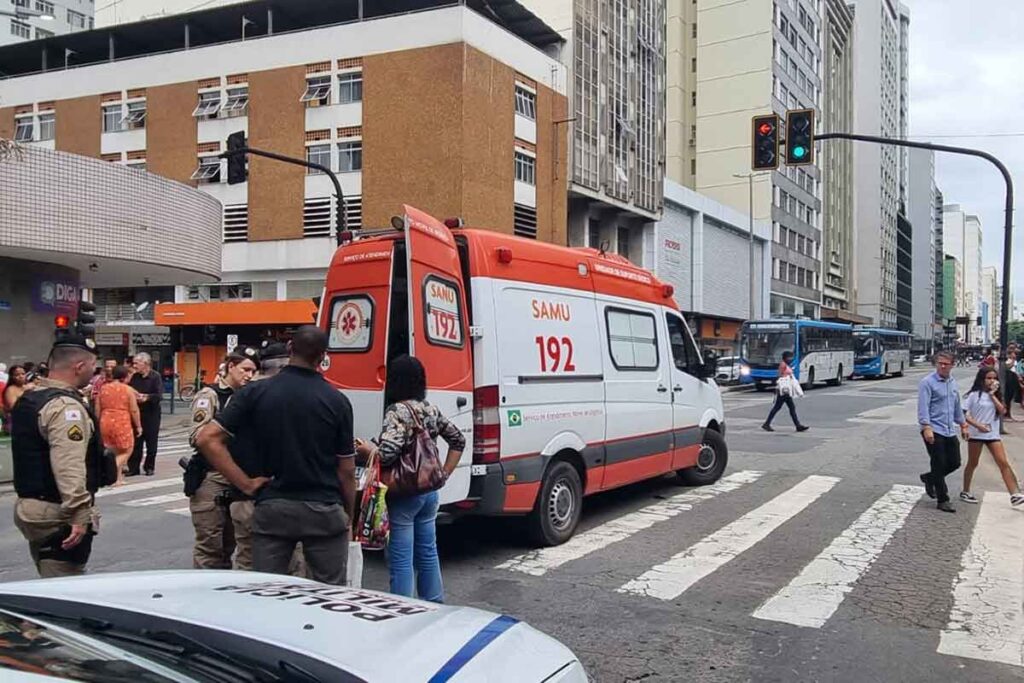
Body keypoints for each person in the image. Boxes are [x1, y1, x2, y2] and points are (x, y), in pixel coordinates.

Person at [197, 326, 357, 585]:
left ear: (291, 349)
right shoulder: (337, 401)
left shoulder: (255, 393)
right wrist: (348, 514)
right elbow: (346, 470)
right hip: (323, 508)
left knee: (268, 591)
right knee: (329, 592)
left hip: (273, 507)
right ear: (322, 357)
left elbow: (207, 439)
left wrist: (245, 484)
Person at [355, 355, 464, 602]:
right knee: (428, 551)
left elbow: (388, 453)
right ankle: (435, 604)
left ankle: (403, 609)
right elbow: (458, 440)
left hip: (405, 493)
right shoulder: (430, 408)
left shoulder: (397, 411)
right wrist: (444, 473)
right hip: (429, 491)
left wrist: (367, 450)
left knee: (401, 556)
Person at [10, 334, 102, 578]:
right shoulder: (65, 407)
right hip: (56, 510)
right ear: (80, 366)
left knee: (48, 573)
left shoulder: (31, 398)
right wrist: (79, 513)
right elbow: (68, 465)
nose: (95, 372)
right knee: (64, 586)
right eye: (93, 366)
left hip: (31, 505)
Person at [186, 351, 257, 569]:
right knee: (210, 547)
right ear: (230, 367)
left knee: (231, 544)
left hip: (236, 475)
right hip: (212, 477)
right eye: (245, 370)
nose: (249, 376)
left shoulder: (248, 396)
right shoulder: (210, 395)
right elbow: (197, 436)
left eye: (254, 371)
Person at [959, 367, 1024, 506]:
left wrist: (993, 395)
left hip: (992, 434)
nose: (992, 381)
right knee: (973, 463)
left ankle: (1014, 493)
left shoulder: (996, 395)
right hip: (976, 434)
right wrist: (977, 425)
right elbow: (963, 414)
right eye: (988, 378)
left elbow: (1002, 411)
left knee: (1003, 462)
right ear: (982, 379)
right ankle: (965, 490)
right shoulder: (973, 395)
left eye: (994, 378)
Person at [918, 351, 969, 513]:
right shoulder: (927, 382)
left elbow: (956, 406)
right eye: (940, 363)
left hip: (948, 429)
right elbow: (923, 406)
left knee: (955, 462)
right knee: (938, 462)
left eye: (946, 363)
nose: (942, 366)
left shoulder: (952, 383)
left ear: (952, 365)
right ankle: (943, 499)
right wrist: (926, 427)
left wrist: (963, 424)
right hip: (933, 428)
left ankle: (930, 477)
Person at [95, 366, 141, 486]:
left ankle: (117, 478)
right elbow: (134, 409)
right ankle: (110, 470)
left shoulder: (103, 388)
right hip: (121, 420)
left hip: (105, 420)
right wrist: (138, 426)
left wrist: (97, 421)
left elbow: (97, 408)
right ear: (125, 377)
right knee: (127, 449)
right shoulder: (127, 389)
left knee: (113, 449)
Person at [127, 352, 162, 476]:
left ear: (145, 364)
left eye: (137, 363)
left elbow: (158, 396)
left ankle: (149, 466)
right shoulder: (134, 377)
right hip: (137, 413)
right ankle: (133, 468)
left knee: (151, 442)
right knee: (136, 442)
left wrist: (146, 397)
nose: (134, 366)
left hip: (151, 414)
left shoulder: (155, 376)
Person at [761, 351, 809, 433]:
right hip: (783, 390)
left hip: (786, 390)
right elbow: (779, 376)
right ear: (785, 357)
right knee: (781, 407)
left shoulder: (786, 365)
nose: (791, 359)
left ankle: (797, 425)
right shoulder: (783, 365)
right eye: (789, 357)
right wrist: (784, 380)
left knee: (787, 407)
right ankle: (767, 424)